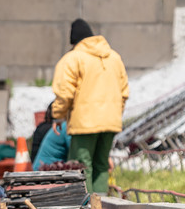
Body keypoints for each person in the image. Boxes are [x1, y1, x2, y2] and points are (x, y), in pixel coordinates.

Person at [50, 18, 129, 195]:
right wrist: (114, 113)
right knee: (101, 165)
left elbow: (65, 92)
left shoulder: (73, 58)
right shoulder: (114, 58)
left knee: (82, 167)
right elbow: (124, 93)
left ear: (74, 41)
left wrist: (58, 115)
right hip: (111, 122)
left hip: (85, 122)